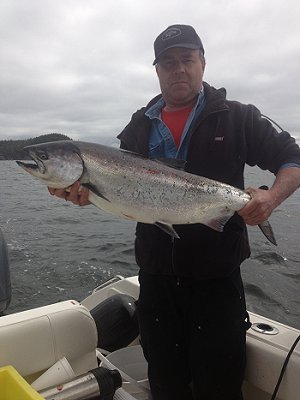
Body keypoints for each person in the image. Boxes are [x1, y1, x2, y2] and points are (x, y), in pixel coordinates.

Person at [49, 24, 300, 400]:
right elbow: (121, 199)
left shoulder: (238, 117)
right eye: (168, 62)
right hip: (156, 283)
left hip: (218, 283)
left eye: (187, 59)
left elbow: (292, 157)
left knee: (220, 387)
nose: (178, 68)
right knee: (166, 386)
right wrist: (84, 196)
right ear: (157, 70)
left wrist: (272, 198)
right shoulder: (136, 127)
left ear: (202, 63)